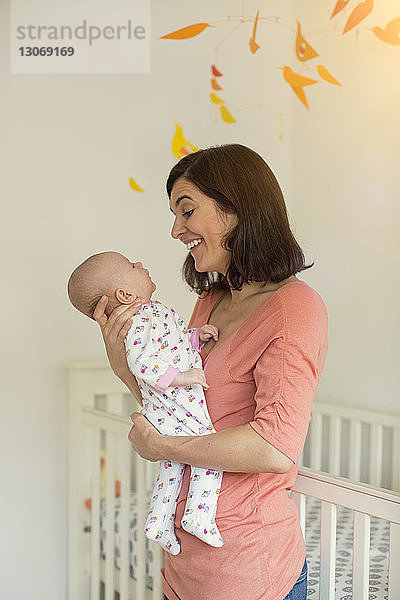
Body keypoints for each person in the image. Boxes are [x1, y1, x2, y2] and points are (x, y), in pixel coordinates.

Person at [93, 144, 328, 600]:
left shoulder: (294, 308)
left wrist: (159, 446)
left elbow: (275, 448)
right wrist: (125, 368)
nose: (176, 230)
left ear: (236, 208)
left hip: (244, 572)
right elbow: (182, 409)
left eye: (186, 210)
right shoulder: (212, 300)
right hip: (183, 568)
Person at [67, 251, 224, 554]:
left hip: (170, 405)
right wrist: (183, 376)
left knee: (173, 464)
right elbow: (141, 363)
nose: (140, 264)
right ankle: (198, 515)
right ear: (124, 294)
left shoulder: (152, 312)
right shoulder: (139, 320)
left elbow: (171, 344)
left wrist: (196, 338)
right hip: (174, 403)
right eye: (131, 266)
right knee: (209, 452)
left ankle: (158, 521)